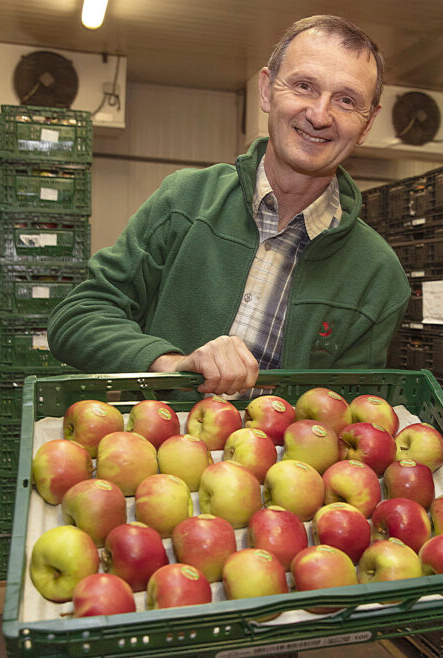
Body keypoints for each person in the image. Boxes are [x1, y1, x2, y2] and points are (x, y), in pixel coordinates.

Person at [48, 15, 410, 396]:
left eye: (347, 100)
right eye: (304, 86)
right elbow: (77, 317)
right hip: (160, 446)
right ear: (267, 90)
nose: (320, 116)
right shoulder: (185, 201)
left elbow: (350, 414)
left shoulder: (378, 275)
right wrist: (170, 364)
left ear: (368, 124)